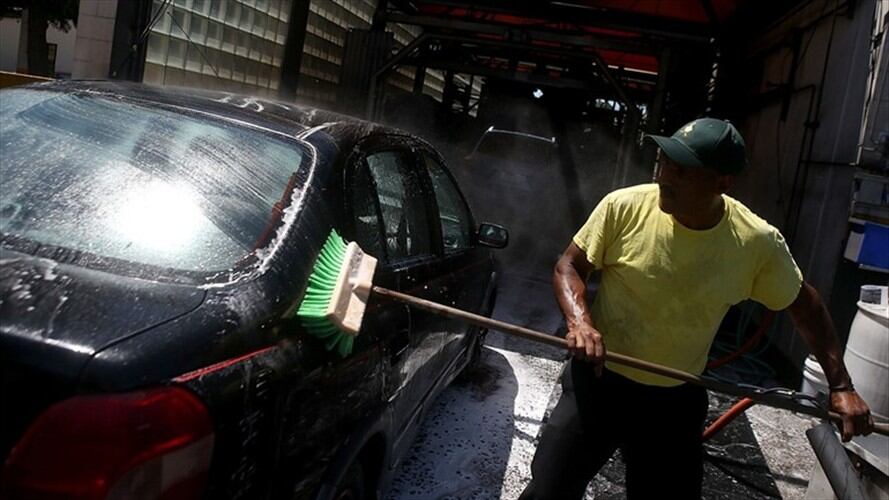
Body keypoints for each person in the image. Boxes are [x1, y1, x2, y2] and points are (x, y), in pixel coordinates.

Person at [518, 118, 874, 500]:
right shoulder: (623, 207)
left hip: (673, 399)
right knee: (547, 494)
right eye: (664, 161)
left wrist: (841, 386)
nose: (664, 176)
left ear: (722, 183)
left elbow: (807, 307)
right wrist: (581, 323)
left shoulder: (756, 243)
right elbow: (569, 266)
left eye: (682, 170)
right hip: (599, 383)